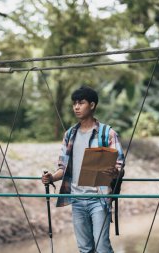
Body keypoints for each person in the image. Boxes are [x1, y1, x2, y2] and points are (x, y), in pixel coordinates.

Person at [42, 86, 124, 253]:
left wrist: (115, 172)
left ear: (92, 105)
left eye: (81, 103)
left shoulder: (107, 134)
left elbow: (119, 167)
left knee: (102, 248)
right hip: (77, 200)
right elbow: (63, 168)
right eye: (74, 104)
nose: (76, 107)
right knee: (85, 249)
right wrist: (51, 178)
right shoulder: (70, 134)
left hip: (99, 200)